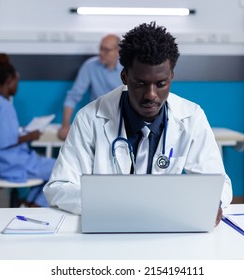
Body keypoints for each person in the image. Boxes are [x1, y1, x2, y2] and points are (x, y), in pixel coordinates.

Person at [44, 22, 232, 225]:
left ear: (171, 78)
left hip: (168, 226)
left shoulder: (191, 117)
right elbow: (59, 187)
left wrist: (214, 202)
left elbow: (218, 183)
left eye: (161, 84)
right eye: (140, 83)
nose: (151, 95)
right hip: (108, 226)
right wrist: (114, 203)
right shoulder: (90, 118)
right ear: (124, 77)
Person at [0, 53, 56, 207]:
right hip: (9, 164)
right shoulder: (5, 106)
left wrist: (21, 133)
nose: (17, 86)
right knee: (59, 168)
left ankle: (30, 202)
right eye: (16, 82)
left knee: (49, 170)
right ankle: (36, 205)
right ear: (9, 81)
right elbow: (5, 140)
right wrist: (30, 136)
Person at [58, 34, 123, 140]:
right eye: (100, 49)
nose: (101, 53)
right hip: (97, 118)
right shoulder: (90, 66)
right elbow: (73, 96)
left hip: (122, 118)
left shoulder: (127, 68)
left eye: (106, 50)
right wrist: (65, 126)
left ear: (118, 51)